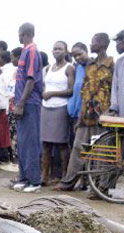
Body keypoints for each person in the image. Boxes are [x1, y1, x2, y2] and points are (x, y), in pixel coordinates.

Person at [55, 33, 114, 191]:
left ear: (101, 44)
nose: (91, 44)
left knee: (103, 152)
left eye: (93, 42)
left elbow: (115, 88)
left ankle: (100, 188)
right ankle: (68, 182)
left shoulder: (111, 64)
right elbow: (84, 90)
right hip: (87, 114)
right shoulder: (90, 65)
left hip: (104, 114)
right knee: (78, 148)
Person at [13, 23, 43, 193]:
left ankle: (34, 181)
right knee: (22, 142)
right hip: (22, 103)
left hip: (29, 103)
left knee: (31, 142)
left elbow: (30, 80)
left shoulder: (32, 51)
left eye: (19, 33)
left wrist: (21, 103)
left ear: (23, 33)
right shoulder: (25, 51)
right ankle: (23, 178)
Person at [40, 41, 75, 185]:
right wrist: (44, 94)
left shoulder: (69, 68)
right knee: (46, 144)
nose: (57, 51)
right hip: (46, 107)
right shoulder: (48, 68)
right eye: (55, 49)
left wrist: (53, 94)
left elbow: (71, 90)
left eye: (60, 49)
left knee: (61, 144)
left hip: (60, 107)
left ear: (66, 51)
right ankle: (44, 176)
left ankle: (64, 176)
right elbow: (44, 85)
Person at [0, 51, 15, 165]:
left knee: (3, 133)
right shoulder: (7, 71)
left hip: (5, 106)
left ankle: (4, 157)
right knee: (3, 133)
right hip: (4, 105)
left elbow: (9, 90)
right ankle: (4, 156)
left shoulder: (6, 73)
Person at [67, 43, 90, 128]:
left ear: (86, 51)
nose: (77, 58)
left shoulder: (94, 67)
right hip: (74, 114)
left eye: (80, 54)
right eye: (74, 56)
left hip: (87, 115)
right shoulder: (77, 68)